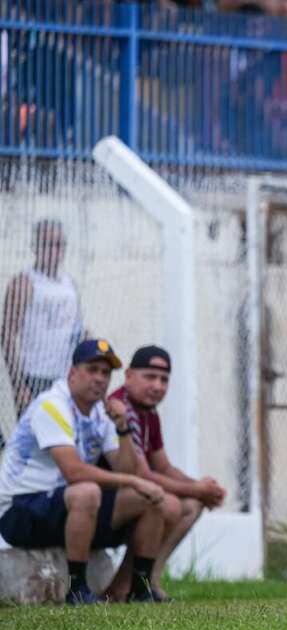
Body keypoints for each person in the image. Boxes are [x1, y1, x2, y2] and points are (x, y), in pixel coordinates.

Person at [0, 339, 171, 604]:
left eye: (105, 373)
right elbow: (74, 472)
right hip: (20, 509)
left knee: (152, 501)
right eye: (92, 370)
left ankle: (140, 589)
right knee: (87, 491)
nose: (100, 379)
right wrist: (134, 481)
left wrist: (123, 428)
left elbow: (126, 469)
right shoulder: (52, 405)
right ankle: (76, 589)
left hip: (63, 505)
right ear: (72, 373)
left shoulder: (101, 414)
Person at [104, 345, 227, 601]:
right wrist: (198, 489)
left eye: (164, 379)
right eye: (150, 376)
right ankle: (124, 587)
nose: (158, 386)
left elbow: (164, 466)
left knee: (191, 504)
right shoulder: (121, 407)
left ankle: (150, 580)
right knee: (166, 504)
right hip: (107, 500)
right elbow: (144, 475)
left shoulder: (149, 412)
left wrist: (203, 488)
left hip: (130, 497)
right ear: (128, 376)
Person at [2, 219, 85, 415]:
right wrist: (19, 386)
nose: (55, 250)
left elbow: (77, 329)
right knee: (36, 440)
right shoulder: (24, 283)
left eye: (59, 244)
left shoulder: (69, 284)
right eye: (48, 244)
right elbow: (7, 335)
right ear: (36, 247)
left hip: (65, 378)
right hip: (35, 376)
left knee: (65, 440)